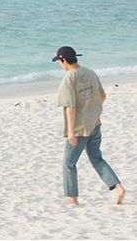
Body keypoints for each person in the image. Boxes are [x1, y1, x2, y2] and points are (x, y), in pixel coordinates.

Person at [53, 46, 125, 205]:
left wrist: (71, 132)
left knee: (68, 163)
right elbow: (102, 96)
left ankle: (72, 198)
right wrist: (91, 110)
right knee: (97, 158)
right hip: (95, 123)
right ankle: (118, 187)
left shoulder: (69, 79)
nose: (60, 64)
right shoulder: (90, 72)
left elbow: (70, 107)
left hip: (79, 128)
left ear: (63, 60)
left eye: (59, 61)